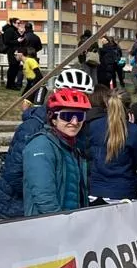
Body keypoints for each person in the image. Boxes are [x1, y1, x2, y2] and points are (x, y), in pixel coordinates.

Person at [23, 87, 92, 216]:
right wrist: (60, 225)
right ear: (53, 118)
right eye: (67, 116)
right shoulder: (41, 146)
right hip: (50, 227)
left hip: (72, 223)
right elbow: (44, 197)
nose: (74, 122)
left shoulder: (72, 146)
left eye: (79, 116)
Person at [80, 87, 137, 203]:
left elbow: (87, 154)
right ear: (128, 107)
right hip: (123, 191)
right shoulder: (134, 131)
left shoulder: (94, 126)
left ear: (106, 104)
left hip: (96, 190)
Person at [0, 20, 21, 89]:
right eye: (18, 23)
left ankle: (11, 84)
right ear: (13, 23)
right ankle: (10, 84)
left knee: (15, 68)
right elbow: (7, 41)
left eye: (19, 23)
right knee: (13, 68)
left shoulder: (14, 30)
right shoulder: (10, 30)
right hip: (12, 52)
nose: (19, 24)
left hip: (14, 51)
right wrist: (17, 41)